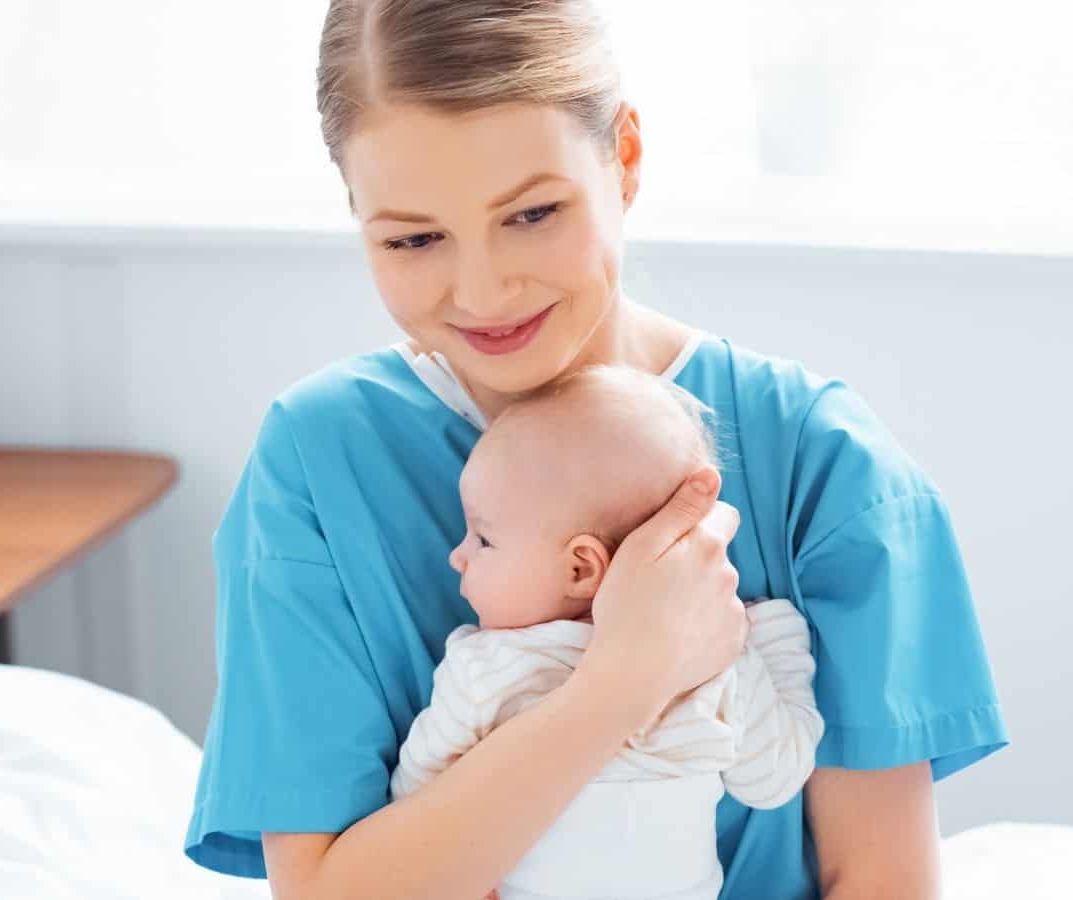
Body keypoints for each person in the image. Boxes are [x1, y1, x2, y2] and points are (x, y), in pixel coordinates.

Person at [183, 2, 1011, 898]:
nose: (485, 289)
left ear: (624, 158)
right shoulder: (317, 463)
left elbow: (879, 879)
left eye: (532, 213)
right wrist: (622, 680)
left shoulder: (824, 464)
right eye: (414, 238)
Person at [389, 364, 825, 900]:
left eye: (482, 539)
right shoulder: (710, 658)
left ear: (580, 568)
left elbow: (413, 798)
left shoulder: (488, 667)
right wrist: (769, 638)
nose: (457, 556)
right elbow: (775, 777)